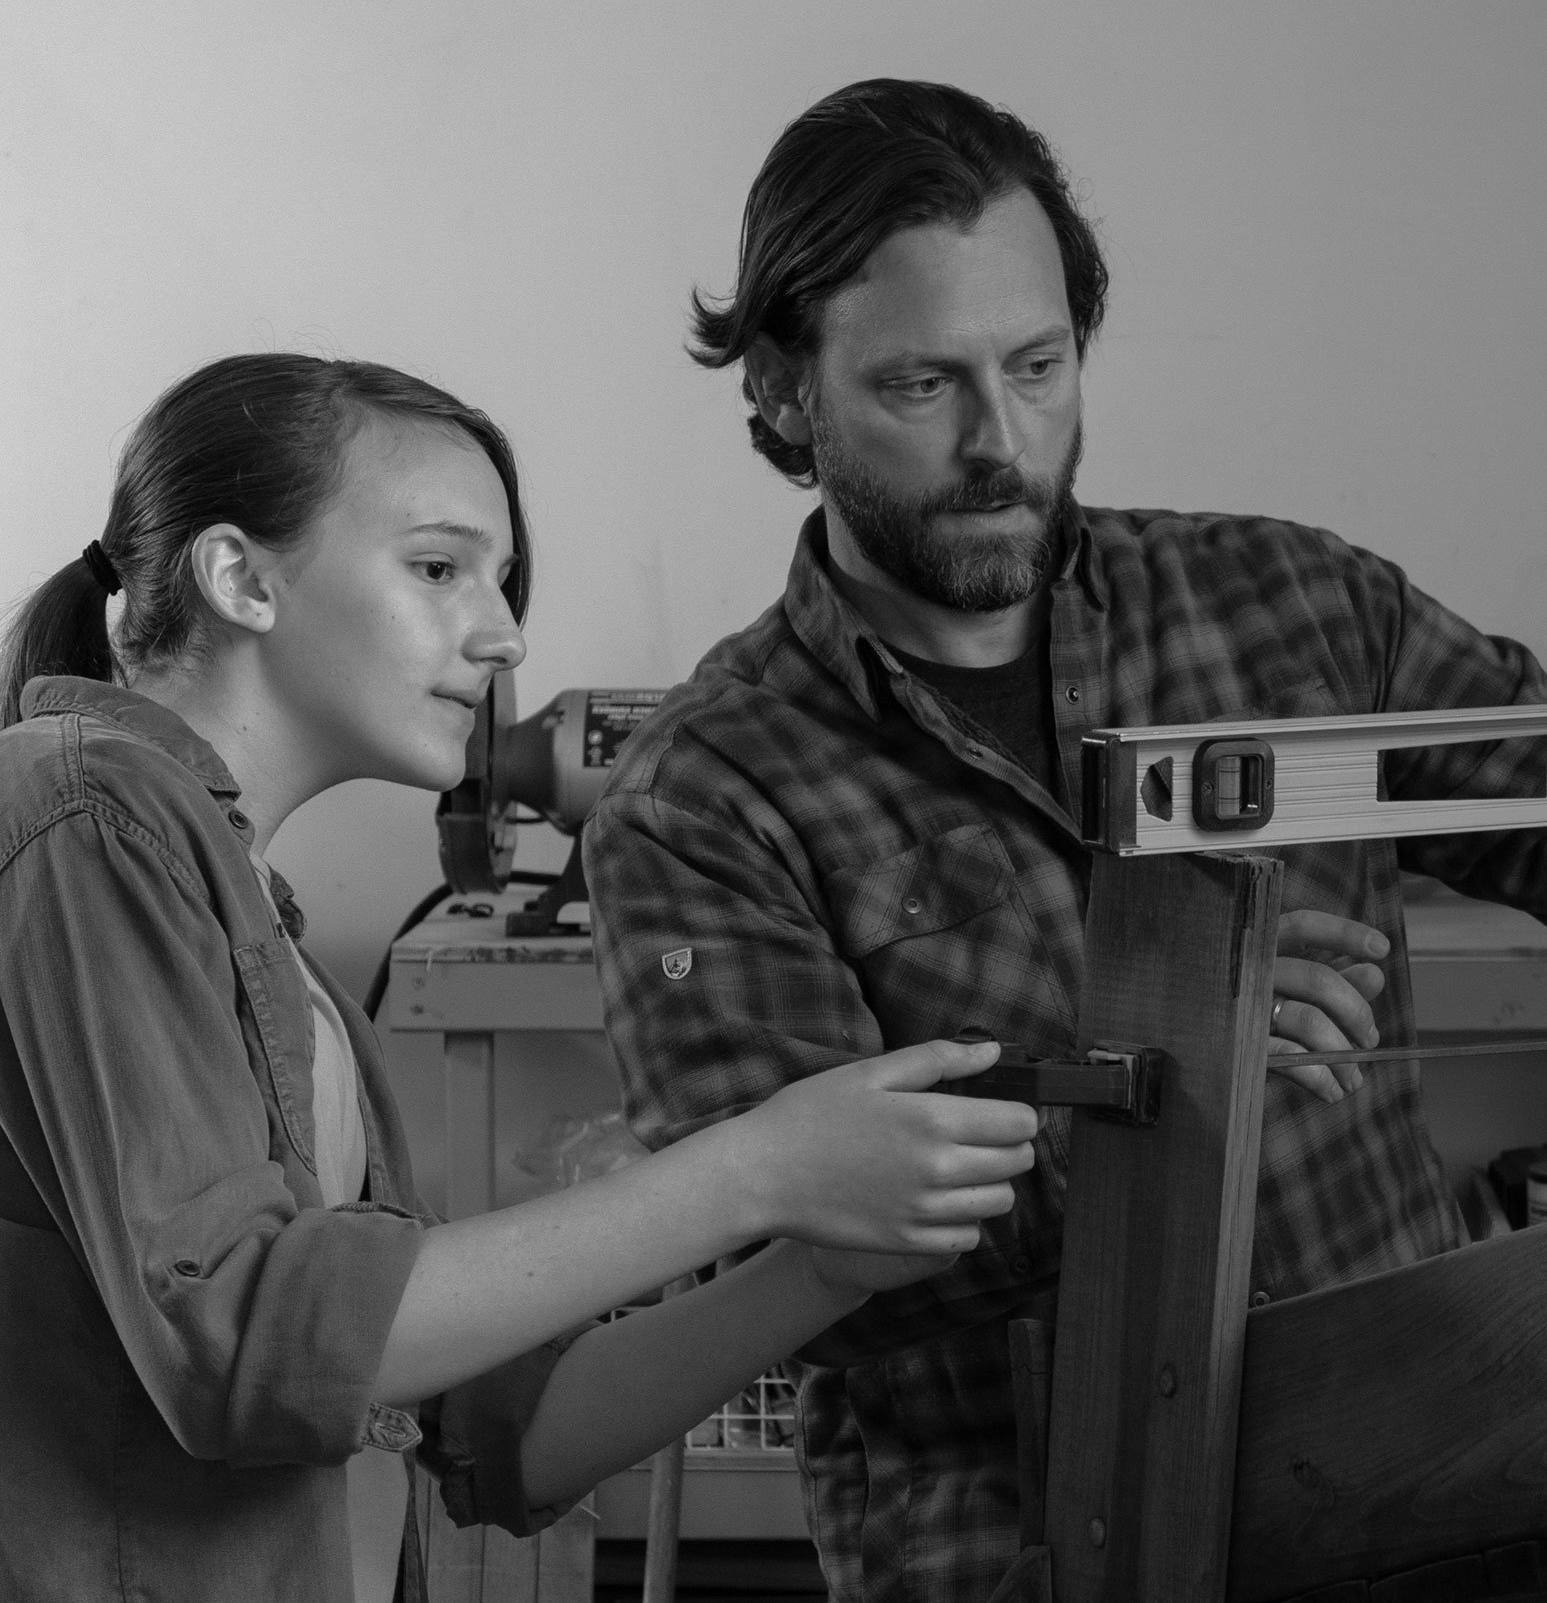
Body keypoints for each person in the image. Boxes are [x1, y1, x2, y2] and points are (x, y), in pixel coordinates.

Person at [583, 79, 1547, 1602]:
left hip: (1431, 1485)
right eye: (923, 387)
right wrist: (1161, 1086)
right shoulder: (706, 791)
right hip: (1023, 1539)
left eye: (1038, 365)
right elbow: (780, 1287)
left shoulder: (1296, 605)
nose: (1004, 441)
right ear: (785, 392)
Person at [0, 353, 1041, 1603]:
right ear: (241, 578)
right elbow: (251, 1346)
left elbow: (486, 1432)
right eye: (439, 568)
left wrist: (818, 1262)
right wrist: (757, 1165)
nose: (504, 634)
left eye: (500, 581)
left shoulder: (282, 961)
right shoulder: (86, 809)